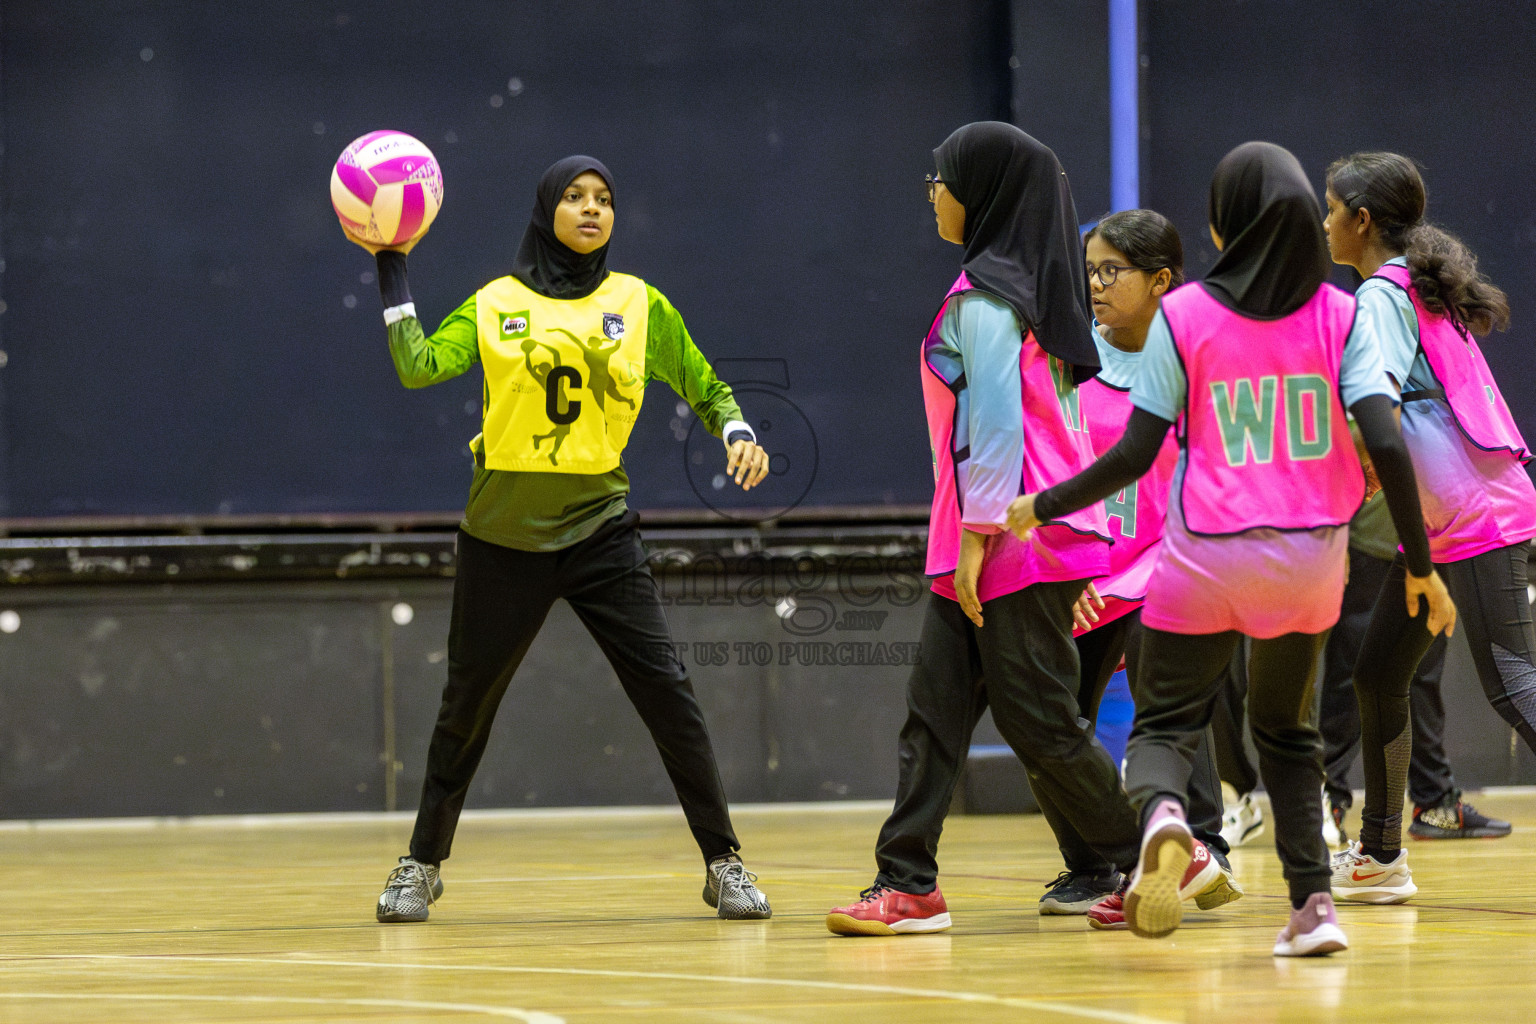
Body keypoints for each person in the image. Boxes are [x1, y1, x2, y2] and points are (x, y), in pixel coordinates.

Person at [1007, 142, 1454, 957]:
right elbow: (1387, 441)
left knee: (1165, 724)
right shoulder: (1341, 315)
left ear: (1224, 226)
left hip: (1206, 557)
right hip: (1311, 562)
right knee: (1287, 733)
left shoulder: (1185, 316)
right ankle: (1312, 909)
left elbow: (1135, 453)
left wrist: (1045, 504)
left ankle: (1165, 819)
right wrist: (1421, 565)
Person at [343, 155, 775, 923]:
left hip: (601, 531)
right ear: (548, 212)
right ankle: (420, 865)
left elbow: (705, 385)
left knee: (668, 694)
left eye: (603, 198)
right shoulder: (497, 303)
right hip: (501, 538)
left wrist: (737, 430)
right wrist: (391, 264)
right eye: (575, 197)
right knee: (466, 705)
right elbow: (418, 367)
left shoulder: (639, 305)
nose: (591, 208)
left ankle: (724, 863)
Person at [825, 121, 1160, 937]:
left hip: (1009, 539)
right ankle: (907, 883)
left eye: (941, 179)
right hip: (999, 535)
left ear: (983, 192)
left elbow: (998, 428)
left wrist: (976, 539)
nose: (933, 193)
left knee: (1039, 720)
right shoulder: (1030, 293)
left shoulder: (984, 297)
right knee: (935, 716)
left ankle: (1154, 856)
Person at [1322, 152, 1535, 903]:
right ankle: (1381, 854)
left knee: (1516, 689)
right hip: (1449, 526)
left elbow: (1377, 416)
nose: (1323, 222)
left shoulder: (1383, 296)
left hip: (1478, 521)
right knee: (1379, 674)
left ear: (1361, 220)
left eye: (1330, 208)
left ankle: (1381, 849)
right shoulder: (1412, 287)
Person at [1040, 209, 1242, 921]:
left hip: (1171, 562)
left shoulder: (1194, 362)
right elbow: (1048, 468)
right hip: (1085, 573)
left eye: (1111, 271)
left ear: (1161, 280)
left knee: (1170, 697)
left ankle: (1204, 843)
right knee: (1047, 717)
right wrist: (1067, 567)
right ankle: (1096, 861)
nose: (1095, 285)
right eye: (1089, 271)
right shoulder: (1068, 361)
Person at [1319, 494, 1512, 844]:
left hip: (1433, 546)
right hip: (1370, 544)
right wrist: (1333, 534)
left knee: (1422, 676)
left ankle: (1434, 802)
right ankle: (1326, 795)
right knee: (1352, 676)